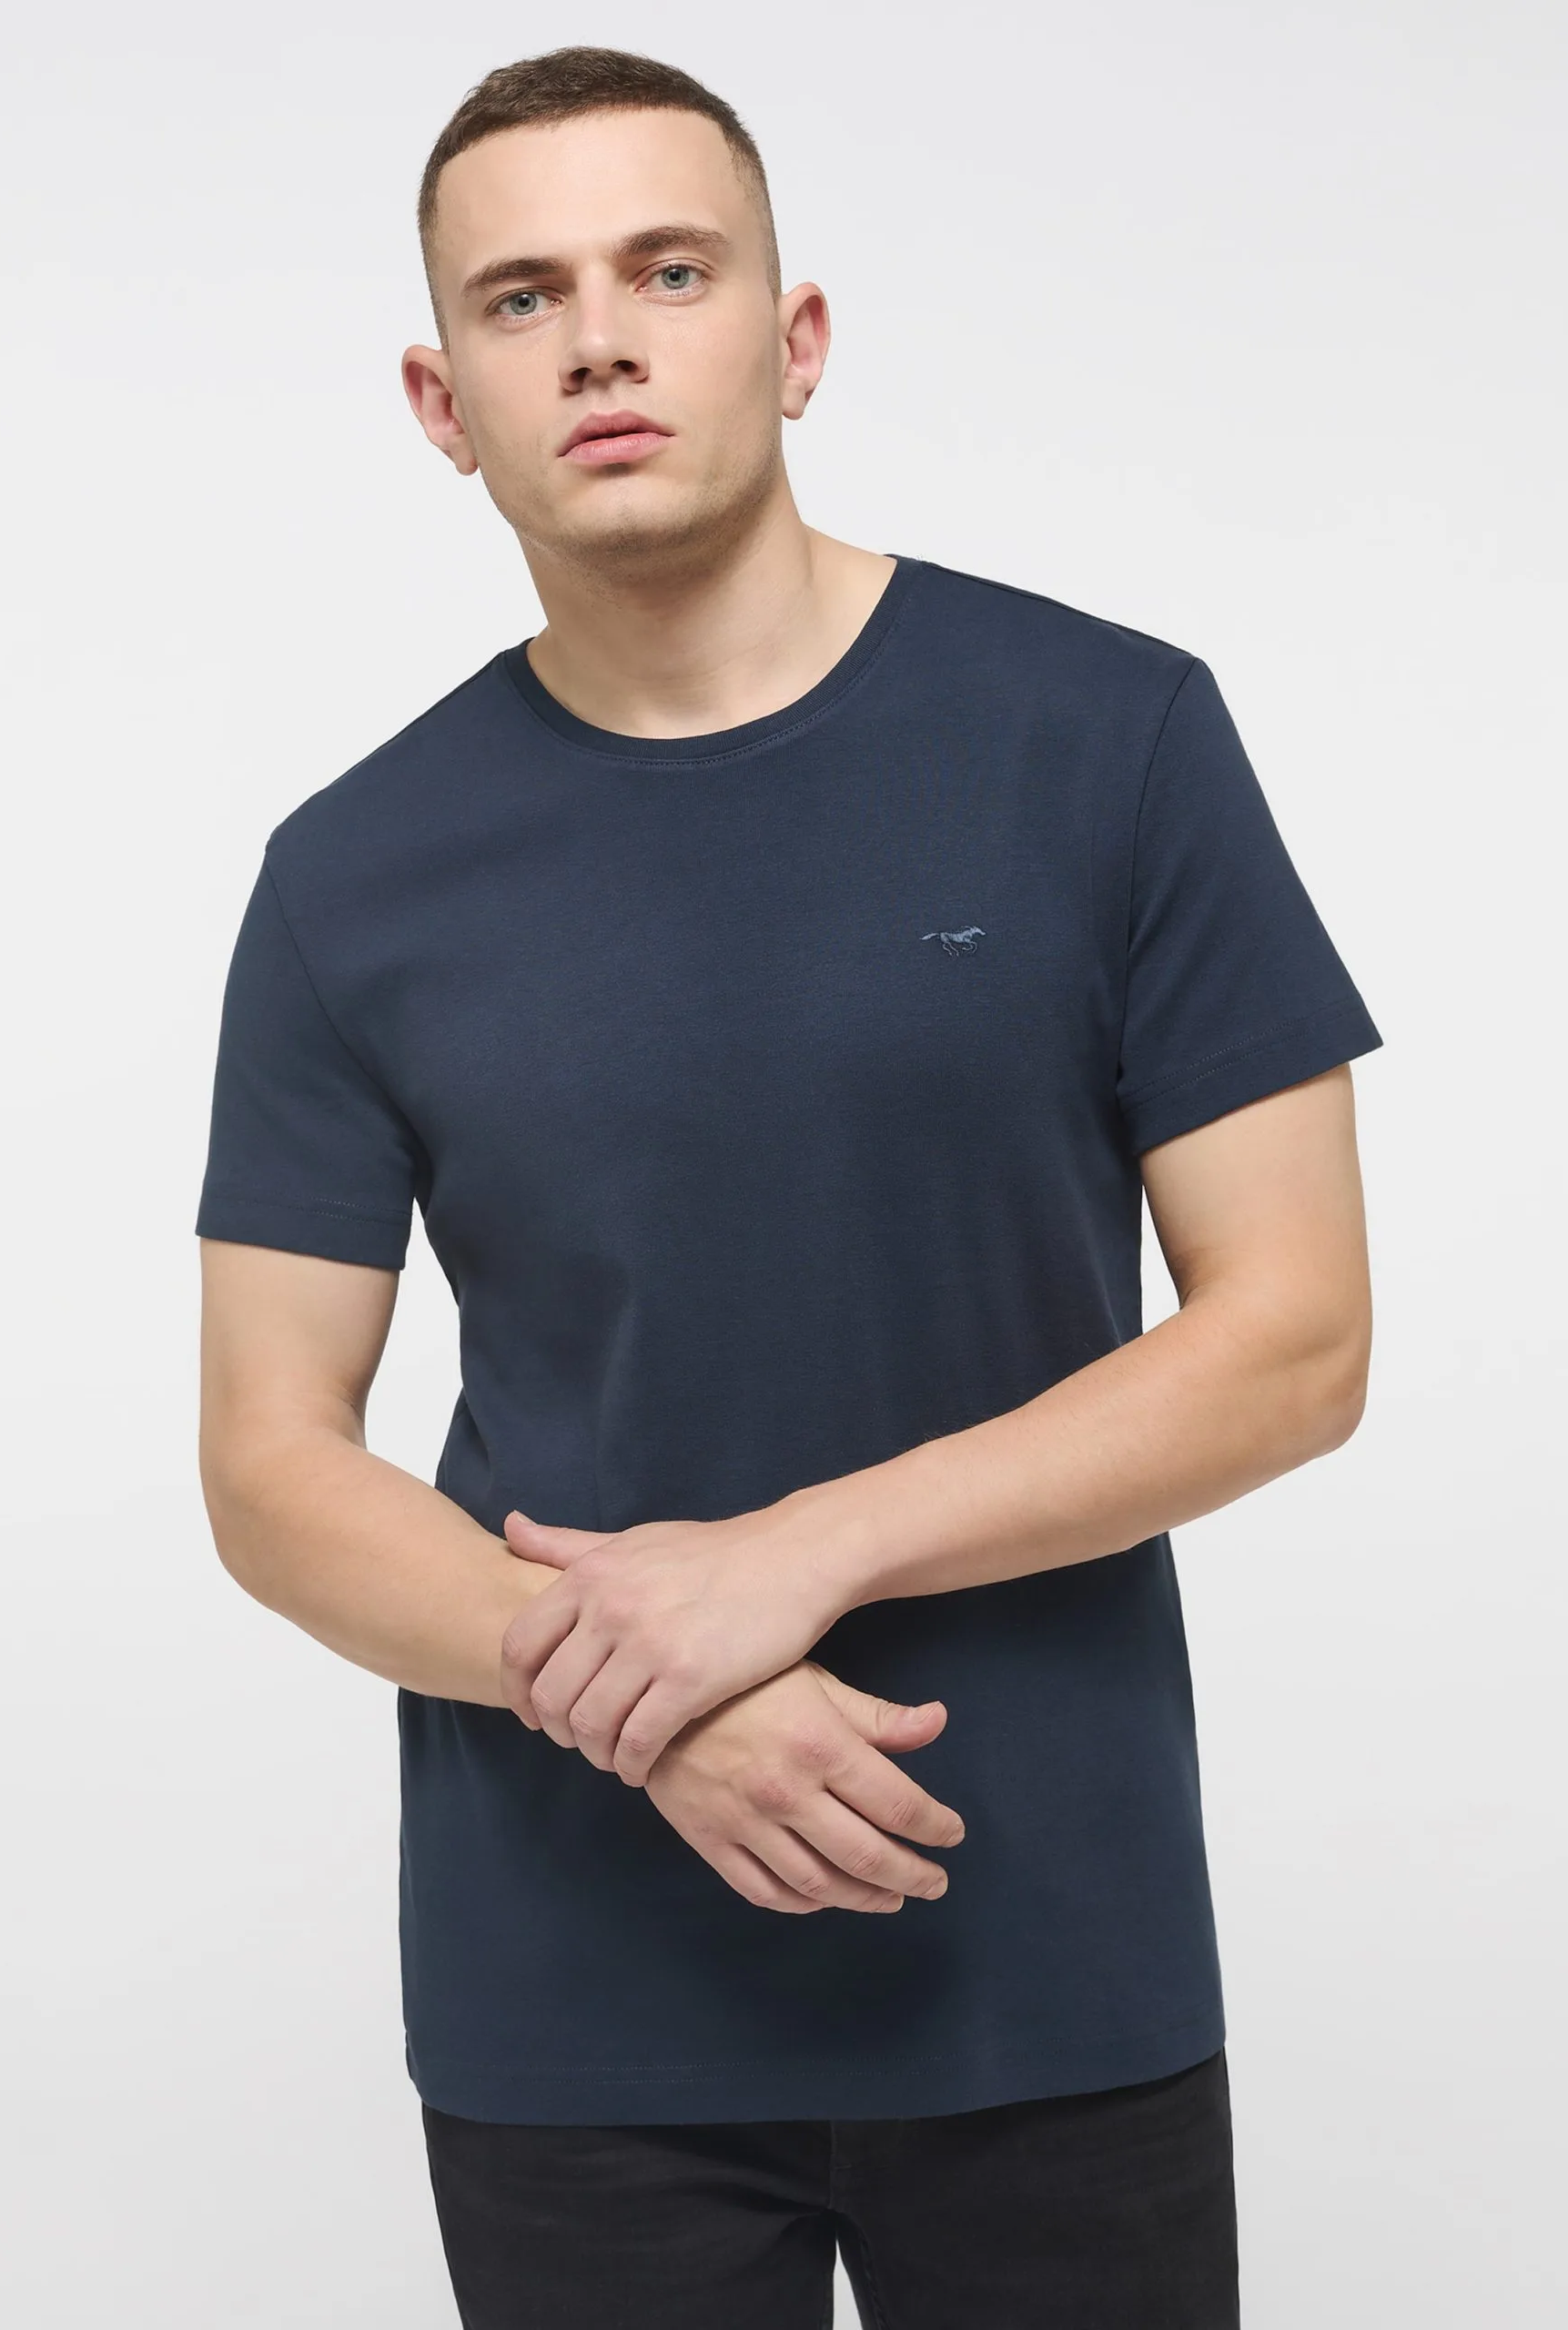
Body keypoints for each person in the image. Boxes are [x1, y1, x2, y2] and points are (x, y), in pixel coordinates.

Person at [194, 44, 1382, 2330]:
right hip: (573, 1994)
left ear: (794, 334)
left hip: (1047, 1951)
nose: (601, 340)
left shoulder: (1109, 738)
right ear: (444, 404)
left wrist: (789, 1557)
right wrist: (644, 1689)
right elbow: (267, 1459)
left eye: (669, 270)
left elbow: (1293, 1335)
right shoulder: (350, 873)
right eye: (523, 298)